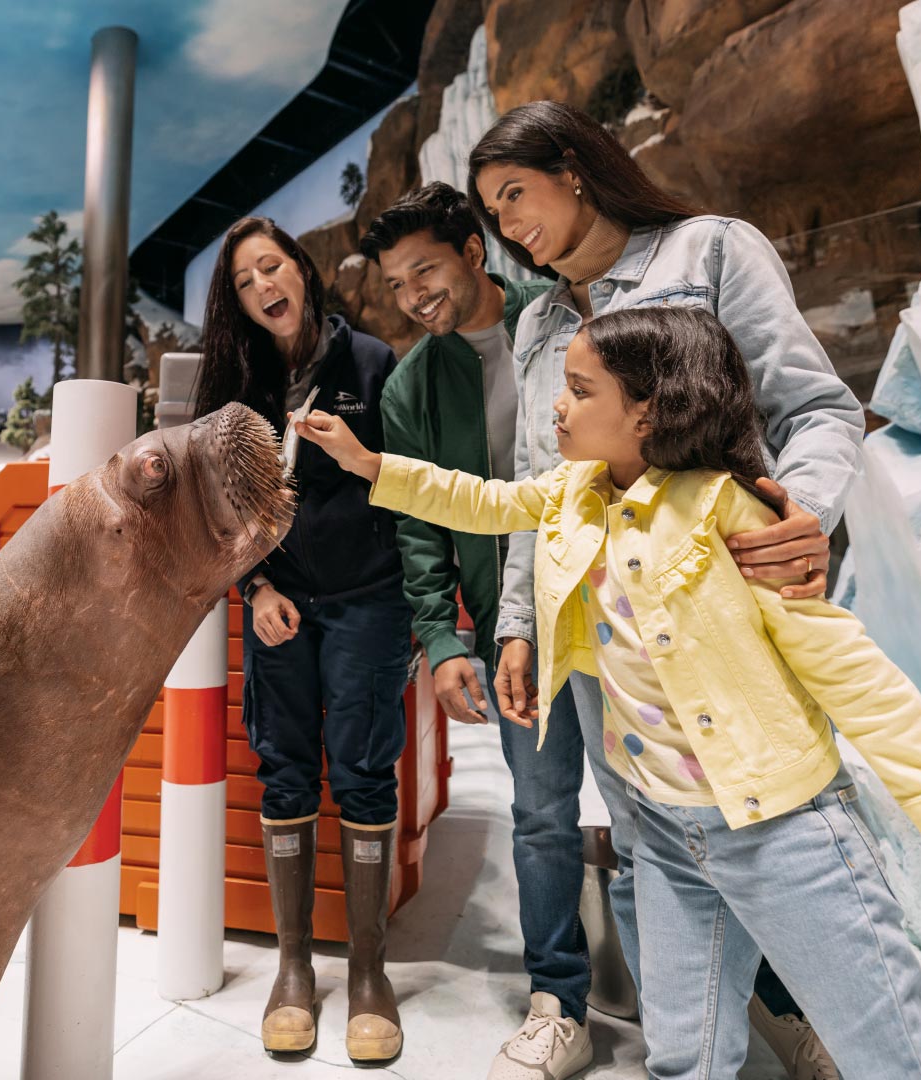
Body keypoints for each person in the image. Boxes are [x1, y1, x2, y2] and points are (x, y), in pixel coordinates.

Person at [292, 305, 921, 1079]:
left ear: (648, 410)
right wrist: (369, 463)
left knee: (892, 1057)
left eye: (579, 389)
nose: (557, 406)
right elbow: (481, 501)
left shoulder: (730, 513)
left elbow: (850, 668)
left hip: (784, 832)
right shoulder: (573, 494)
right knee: (681, 1055)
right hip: (664, 833)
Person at [469, 99, 866, 1079]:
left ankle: (832, 1029)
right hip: (608, 640)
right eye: (493, 213)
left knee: (784, 839)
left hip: (726, 614)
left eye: (515, 194)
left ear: (573, 167)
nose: (510, 225)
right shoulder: (541, 324)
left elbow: (817, 409)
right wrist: (519, 625)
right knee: (647, 858)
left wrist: (797, 513)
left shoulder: (711, 250)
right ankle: (689, 1062)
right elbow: (544, 496)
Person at [361, 182, 601, 1079]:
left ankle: (765, 996)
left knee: (684, 802)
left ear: (473, 250)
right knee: (540, 813)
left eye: (424, 267)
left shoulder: (567, 318)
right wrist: (445, 638)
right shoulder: (413, 383)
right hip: (514, 631)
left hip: (615, 605)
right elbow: (419, 528)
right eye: (395, 282)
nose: (412, 293)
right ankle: (558, 1000)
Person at [190, 216, 410, 1063]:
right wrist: (255, 586)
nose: (262, 289)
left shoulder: (372, 365)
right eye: (243, 284)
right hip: (280, 604)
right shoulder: (234, 385)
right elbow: (219, 508)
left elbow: (408, 488)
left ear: (302, 271)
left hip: (367, 599)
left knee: (361, 769)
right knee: (283, 767)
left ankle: (366, 974)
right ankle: (291, 969)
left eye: (271, 268)